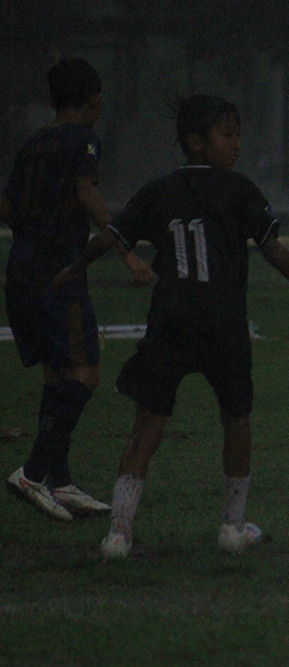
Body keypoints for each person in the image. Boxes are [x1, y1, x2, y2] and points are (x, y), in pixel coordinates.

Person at [52, 94, 289, 557]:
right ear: (195, 142)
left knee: (147, 424)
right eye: (227, 135)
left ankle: (119, 532)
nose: (236, 145)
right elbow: (273, 248)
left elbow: (110, 237)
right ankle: (232, 528)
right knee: (236, 420)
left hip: (170, 322)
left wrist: (76, 268)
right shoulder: (240, 191)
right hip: (223, 325)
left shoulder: (158, 191)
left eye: (237, 135)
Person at [3, 58, 153, 522]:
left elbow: (7, 206)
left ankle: (60, 481)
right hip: (59, 273)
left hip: (22, 269)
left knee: (58, 372)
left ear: (50, 100)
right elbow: (87, 192)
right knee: (85, 371)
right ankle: (33, 471)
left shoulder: (33, 142)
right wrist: (125, 248)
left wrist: (36, 229)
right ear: (95, 99)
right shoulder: (84, 138)